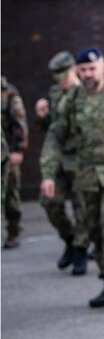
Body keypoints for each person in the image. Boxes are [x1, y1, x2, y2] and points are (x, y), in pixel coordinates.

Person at [41, 47, 104, 311]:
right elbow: (55, 136)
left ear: (103, 67)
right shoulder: (73, 99)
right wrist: (48, 174)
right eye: (83, 70)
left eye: (93, 69)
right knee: (93, 230)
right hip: (86, 176)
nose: (88, 74)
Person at [35, 51, 87, 268]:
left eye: (63, 74)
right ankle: (69, 240)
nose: (60, 80)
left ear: (73, 69)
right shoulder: (55, 94)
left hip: (82, 158)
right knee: (50, 202)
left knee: (82, 208)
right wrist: (43, 117)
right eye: (56, 76)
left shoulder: (87, 92)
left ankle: (81, 250)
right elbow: (51, 133)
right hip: (60, 159)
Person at [1, 76, 28, 250]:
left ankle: (13, 230)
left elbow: (19, 122)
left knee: (10, 194)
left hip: (7, 153)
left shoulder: (8, 92)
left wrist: (18, 149)